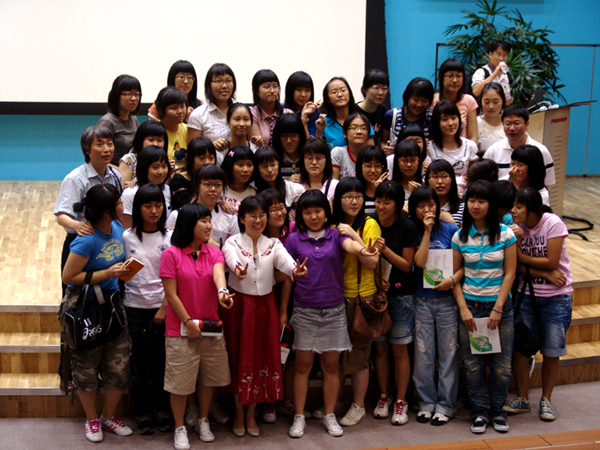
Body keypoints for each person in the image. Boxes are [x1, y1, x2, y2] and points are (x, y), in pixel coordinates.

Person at [284, 190, 377, 438]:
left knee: (331, 367)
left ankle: (329, 415)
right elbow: (285, 276)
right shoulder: (293, 240)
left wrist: (363, 251)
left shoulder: (335, 235)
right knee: (302, 366)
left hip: (334, 310)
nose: (313, 216)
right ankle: (299, 416)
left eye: (318, 211)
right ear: (301, 216)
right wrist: (284, 308)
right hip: (304, 310)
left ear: (326, 213)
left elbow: (351, 247)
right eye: (307, 212)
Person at [221, 196, 308, 437]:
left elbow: (286, 262)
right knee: (239, 357)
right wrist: (237, 268)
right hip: (239, 308)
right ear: (242, 218)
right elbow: (231, 259)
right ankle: (239, 413)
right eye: (253, 216)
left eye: (261, 216)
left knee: (261, 358)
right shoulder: (232, 242)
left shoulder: (274, 243)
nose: (258, 220)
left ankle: (251, 414)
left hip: (266, 307)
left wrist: (296, 270)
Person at [61, 184, 132, 443]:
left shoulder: (117, 227)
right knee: (86, 369)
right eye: (118, 203)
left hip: (112, 305)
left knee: (119, 366)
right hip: (84, 307)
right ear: (106, 211)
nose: (123, 205)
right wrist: (107, 273)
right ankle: (91, 419)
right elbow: (69, 277)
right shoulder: (86, 239)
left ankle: (108, 417)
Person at [159, 203, 234, 448]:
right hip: (180, 330)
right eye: (203, 221)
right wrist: (188, 322)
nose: (209, 226)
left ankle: (203, 420)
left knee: (208, 379)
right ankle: (179, 426)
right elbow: (171, 295)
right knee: (180, 384)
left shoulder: (214, 251)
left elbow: (219, 274)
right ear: (188, 224)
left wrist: (223, 292)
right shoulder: (171, 254)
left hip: (211, 326)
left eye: (209, 220)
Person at [451, 180, 517, 434]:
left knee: (501, 366)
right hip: (471, 307)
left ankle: (498, 411)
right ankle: (479, 412)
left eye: (481, 200)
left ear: (491, 204)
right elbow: (456, 276)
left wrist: (498, 308)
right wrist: (463, 309)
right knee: (473, 365)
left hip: (500, 308)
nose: (476, 205)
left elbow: (510, 273)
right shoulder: (460, 235)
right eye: (471, 200)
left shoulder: (506, 234)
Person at [505, 188, 572, 422]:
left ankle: (546, 399)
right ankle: (523, 398)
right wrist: (543, 272)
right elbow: (514, 267)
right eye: (513, 206)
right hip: (526, 296)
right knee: (521, 349)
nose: (513, 211)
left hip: (556, 298)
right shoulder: (516, 228)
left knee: (552, 351)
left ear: (532, 210)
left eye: (519, 207)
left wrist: (523, 257)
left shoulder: (552, 223)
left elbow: (552, 261)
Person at [331, 178, 382, 428]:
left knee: (359, 356)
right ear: (338, 200)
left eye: (359, 196)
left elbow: (371, 262)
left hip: (361, 297)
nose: (354, 201)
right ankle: (337, 403)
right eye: (348, 196)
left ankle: (358, 405)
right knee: (337, 355)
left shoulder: (369, 224)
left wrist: (353, 234)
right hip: (335, 297)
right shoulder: (331, 225)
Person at [408, 185, 461, 426]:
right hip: (422, 300)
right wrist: (427, 231)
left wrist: (453, 280)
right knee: (423, 354)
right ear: (413, 209)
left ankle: (446, 404)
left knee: (449, 353)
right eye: (421, 206)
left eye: (431, 204)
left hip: (448, 300)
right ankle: (426, 402)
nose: (427, 209)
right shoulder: (413, 231)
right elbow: (419, 262)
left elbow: (463, 264)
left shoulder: (451, 230)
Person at [122, 184, 172, 435]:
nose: (154, 210)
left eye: (158, 205)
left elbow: (175, 278)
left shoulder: (170, 237)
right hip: (134, 307)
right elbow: (122, 272)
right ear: (137, 208)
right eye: (147, 206)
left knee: (162, 362)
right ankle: (141, 410)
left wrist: (164, 307)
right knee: (139, 363)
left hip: (163, 307)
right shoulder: (126, 237)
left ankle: (163, 409)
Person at [370, 181, 418, 425]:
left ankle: (401, 400)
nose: (381, 206)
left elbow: (407, 265)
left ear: (398, 205)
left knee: (399, 349)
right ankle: (383, 396)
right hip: (377, 295)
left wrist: (386, 249)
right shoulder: (371, 222)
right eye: (378, 200)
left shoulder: (407, 226)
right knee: (379, 349)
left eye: (387, 202)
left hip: (402, 296)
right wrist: (377, 279)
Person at [55, 126, 123, 296]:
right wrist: (77, 225)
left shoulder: (116, 176)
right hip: (82, 241)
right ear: (87, 149)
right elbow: (61, 215)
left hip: (108, 240)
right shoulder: (75, 179)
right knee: (76, 296)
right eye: (99, 144)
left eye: (110, 144)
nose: (106, 149)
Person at [167, 164, 239, 248]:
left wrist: (217, 247)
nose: (213, 189)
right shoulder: (178, 215)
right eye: (207, 184)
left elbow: (236, 249)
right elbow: (168, 245)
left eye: (218, 185)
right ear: (197, 186)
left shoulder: (230, 218)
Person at [483, 105, 555, 186]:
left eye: (517, 123)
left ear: (527, 125)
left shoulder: (541, 150)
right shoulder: (493, 151)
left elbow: (546, 183)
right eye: (508, 124)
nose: (512, 128)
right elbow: (484, 182)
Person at [187, 63, 238, 161]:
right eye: (218, 81)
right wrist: (210, 146)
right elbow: (192, 150)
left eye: (228, 81)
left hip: (238, 167)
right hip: (209, 168)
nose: (224, 86)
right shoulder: (198, 115)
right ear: (209, 85)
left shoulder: (241, 112)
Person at [120, 146, 171, 229]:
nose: (161, 172)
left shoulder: (167, 189)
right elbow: (127, 227)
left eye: (164, 166)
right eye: (155, 167)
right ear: (144, 168)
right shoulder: (130, 193)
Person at [380, 77, 434, 155]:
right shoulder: (392, 116)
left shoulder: (432, 118)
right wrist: (384, 147)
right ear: (407, 97)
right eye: (415, 100)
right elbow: (382, 141)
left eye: (424, 101)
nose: (419, 105)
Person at [317, 77, 374, 149]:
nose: (340, 94)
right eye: (334, 92)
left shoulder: (362, 120)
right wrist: (319, 131)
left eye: (343, 90)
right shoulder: (324, 123)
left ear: (349, 93)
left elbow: (371, 150)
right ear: (328, 99)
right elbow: (317, 151)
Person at [97, 74, 142, 165]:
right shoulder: (107, 122)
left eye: (136, 94)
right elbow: (97, 158)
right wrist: (119, 171)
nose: (134, 98)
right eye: (128, 94)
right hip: (112, 171)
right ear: (117, 95)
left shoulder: (134, 119)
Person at [428, 100, 479, 178]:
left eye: (453, 118)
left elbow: (474, 176)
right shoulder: (429, 148)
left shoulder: (470, 146)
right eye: (445, 119)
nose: (451, 123)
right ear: (437, 122)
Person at [253, 146, 305, 220]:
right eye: (264, 166)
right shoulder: (253, 193)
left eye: (273, 165)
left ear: (278, 165)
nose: (270, 170)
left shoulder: (295, 190)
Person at [432, 59, 478, 142]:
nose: (455, 80)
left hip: (463, 148)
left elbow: (473, 137)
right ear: (441, 78)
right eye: (450, 76)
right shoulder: (432, 101)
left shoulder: (469, 101)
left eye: (459, 76)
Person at [169, 137, 216, 211]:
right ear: (191, 159)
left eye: (211, 158)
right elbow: (185, 209)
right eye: (202, 158)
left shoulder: (217, 179)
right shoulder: (180, 180)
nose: (207, 162)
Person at [249, 69, 293, 146]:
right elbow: (257, 145)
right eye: (267, 87)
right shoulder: (252, 113)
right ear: (256, 90)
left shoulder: (288, 113)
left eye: (275, 86)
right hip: (261, 153)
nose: (272, 91)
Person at [118, 120, 168, 185]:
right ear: (140, 140)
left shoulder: (165, 160)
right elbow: (123, 187)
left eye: (159, 140)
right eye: (150, 140)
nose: (155, 144)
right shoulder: (129, 160)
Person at [155, 86, 188, 170]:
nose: (180, 111)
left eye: (182, 106)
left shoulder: (188, 129)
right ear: (161, 110)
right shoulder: (154, 131)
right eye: (174, 108)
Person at [331, 113, 371, 179]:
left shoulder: (372, 156)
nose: (359, 132)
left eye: (363, 128)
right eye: (354, 128)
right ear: (344, 133)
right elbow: (333, 182)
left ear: (368, 134)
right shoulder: (338, 153)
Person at [299, 137, 339, 204]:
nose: (314, 162)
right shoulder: (297, 186)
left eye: (319, 158)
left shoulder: (335, 186)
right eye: (310, 158)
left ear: (326, 160)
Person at [425, 160, 464, 227]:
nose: (440, 181)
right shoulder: (422, 208)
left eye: (444, 176)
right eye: (435, 177)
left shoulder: (463, 208)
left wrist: (451, 222)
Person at [356, 69, 390, 145]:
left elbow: (382, 140)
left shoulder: (383, 110)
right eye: (376, 88)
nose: (381, 93)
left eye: (384, 89)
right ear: (365, 89)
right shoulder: (354, 111)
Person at [220, 145, 256, 214]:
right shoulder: (218, 188)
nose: (245, 170)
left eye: (249, 165)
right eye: (240, 165)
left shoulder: (255, 194)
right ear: (230, 165)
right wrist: (219, 203)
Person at [284, 71, 320, 138]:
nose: (303, 95)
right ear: (290, 90)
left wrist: (304, 116)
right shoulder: (281, 110)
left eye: (307, 90)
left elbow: (310, 142)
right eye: (299, 90)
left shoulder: (314, 113)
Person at [272, 113, 307, 182]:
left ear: (300, 136)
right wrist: (288, 183)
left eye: (293, 135)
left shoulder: (308, 158)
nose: (289, 141)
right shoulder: (273, 160)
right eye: (284, 135)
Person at [355, 145, 389, 214]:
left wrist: (380, 192)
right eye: (368, 166)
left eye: (377, 166)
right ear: (360, 167)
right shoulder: (354, 189)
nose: (373, 170)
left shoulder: (390, 189)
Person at [477, 82, 506, 151]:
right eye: (486, 102)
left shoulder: (508, 124)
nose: (491, 106)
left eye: (495, 102)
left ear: (503, 101)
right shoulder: (475, 123)